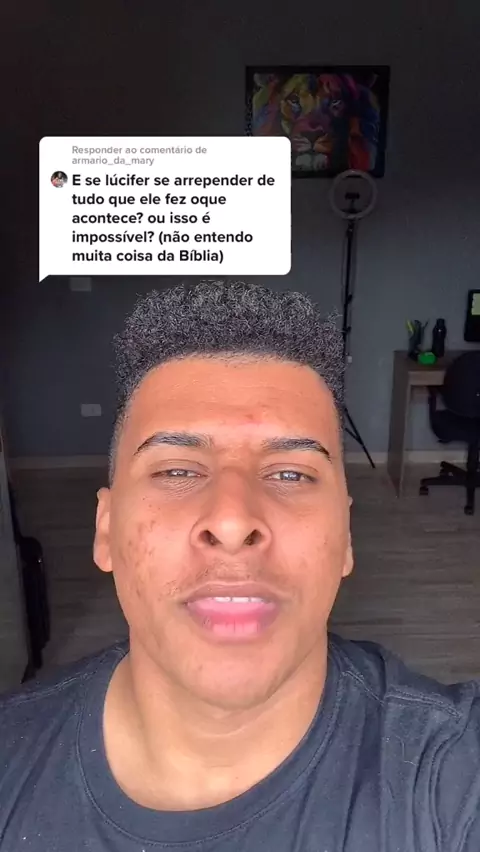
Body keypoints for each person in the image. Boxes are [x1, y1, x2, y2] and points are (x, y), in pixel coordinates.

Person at [0, 281, 479, 851]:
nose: (232, 521)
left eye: (291, 474)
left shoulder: (454, 775)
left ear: (346, 536)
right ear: (105, 529)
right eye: (177, 471)